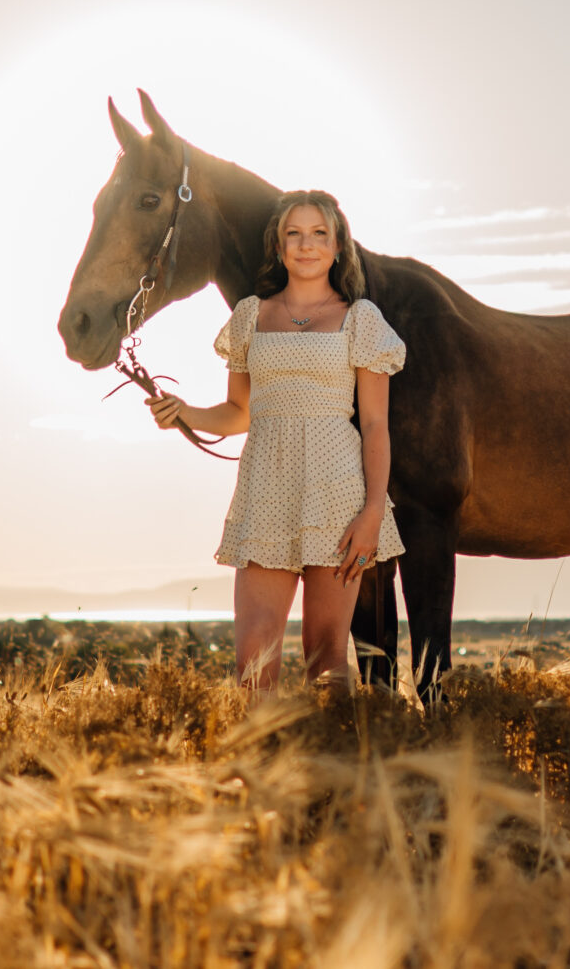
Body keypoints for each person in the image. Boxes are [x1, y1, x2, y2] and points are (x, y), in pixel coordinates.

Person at [145, 190, 406, 693]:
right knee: (252, 660)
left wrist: (373, 511)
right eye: (294, 233)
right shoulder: (251, 316)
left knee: (326, 657)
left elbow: (375, 425)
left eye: (318, 234)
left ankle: (329, 767)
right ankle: (262, 766)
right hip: (265, 491)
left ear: (337, 246)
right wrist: (184, 413)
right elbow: (239, 412)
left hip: (337, 496)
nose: (306, 245)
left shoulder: (362, 319)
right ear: (279, 246)